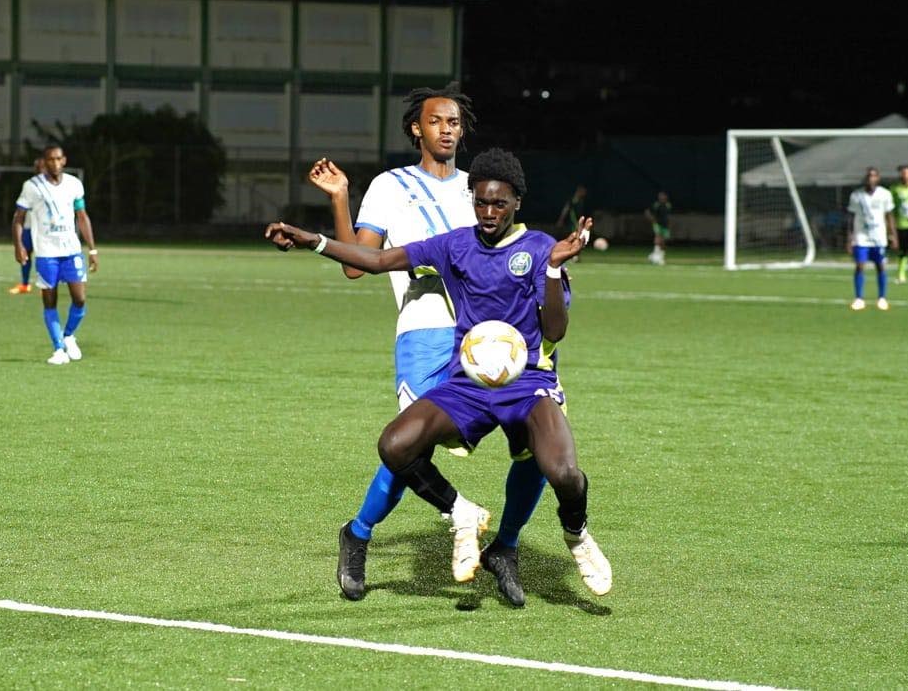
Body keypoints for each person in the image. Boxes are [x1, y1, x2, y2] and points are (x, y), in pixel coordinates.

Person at [266, 148, 612, 599]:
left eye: (500, 204)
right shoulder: (455, 245)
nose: (489, 213)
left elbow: (555, 331)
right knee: (396, 443)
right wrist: (312, 240)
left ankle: (577, 536)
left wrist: (550, 269)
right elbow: (375, 261)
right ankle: (461, 512)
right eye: (482, 203)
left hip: (527, 384)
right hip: (467, 384)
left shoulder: (540, 248)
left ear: (516, 204)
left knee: (564, 472)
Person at [314, 83, 548, 607]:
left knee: (534, 438)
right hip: (423, 329)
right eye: (437, 121)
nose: (447, 129)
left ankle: (505, 547)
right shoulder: (391, 186)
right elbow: (357, 264)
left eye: (455, 122)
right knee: (410, 443)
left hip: (491, 340)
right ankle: (361, 533)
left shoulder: (482, 190)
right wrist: (339, 201)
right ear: (416, 129)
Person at [12, 145, 98, 364]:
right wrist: (19, 245)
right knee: (50, 302)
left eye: (58, 159)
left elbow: (82, 216)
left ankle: (68, 335)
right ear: (44, 162)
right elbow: (18, 218)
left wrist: (92, 249)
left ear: (64, 160)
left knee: (80, 299)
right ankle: (59, 349)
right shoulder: (32, 187)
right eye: (50, 159)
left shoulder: (74, 184)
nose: (55, 163)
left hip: (71, 250)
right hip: (46, 253)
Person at [847, 167, 897, 311]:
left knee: (880, 266)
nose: (871, 178)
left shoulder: (885, 194)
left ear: (878, 178)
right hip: (861, 236)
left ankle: (882, 298)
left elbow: (889, 216)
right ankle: (859, 298)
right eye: (869, 176)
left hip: (879, 236)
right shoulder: (856, 195)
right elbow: (851, 217)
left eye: (874, 176)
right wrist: (849, 238)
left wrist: (893, 235)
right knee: (860, 265)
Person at [8, 157, 45, 294]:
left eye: (41, 166)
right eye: (36, 167)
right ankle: (24, 284)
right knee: (25, 254)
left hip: (43, 229)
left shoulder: (52, 185)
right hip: (29, 227)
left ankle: (44, 285)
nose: (38, 169)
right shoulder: (29, 185)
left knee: (43, 256)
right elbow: (22, 207)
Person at [645, 191, 672, 265]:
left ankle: (657, 256)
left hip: (665, 226)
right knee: (658, 237)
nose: (662, 197)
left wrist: (669, 225)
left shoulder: (668, 205)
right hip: (658, 224)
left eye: (663, 196)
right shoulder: (656, 205)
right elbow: (647, 212)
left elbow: (668, 216)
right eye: (660, 196)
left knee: (663, 242)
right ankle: (656, 257)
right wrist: (652, 220)